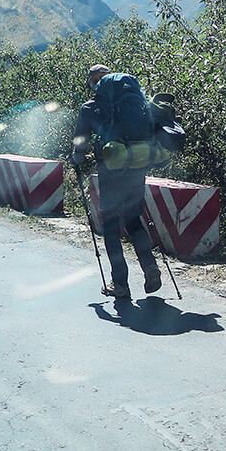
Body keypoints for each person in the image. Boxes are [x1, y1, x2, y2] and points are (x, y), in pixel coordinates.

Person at [70, 64, 162, 300]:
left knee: (110, 226)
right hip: (137, 165)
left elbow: (81, 141)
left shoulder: (91, 107)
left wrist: (76, 161)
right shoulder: (136, 101)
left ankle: (120, 284)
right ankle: (150, 266)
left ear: (93, 83)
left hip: (110, 170)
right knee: (133, 221)